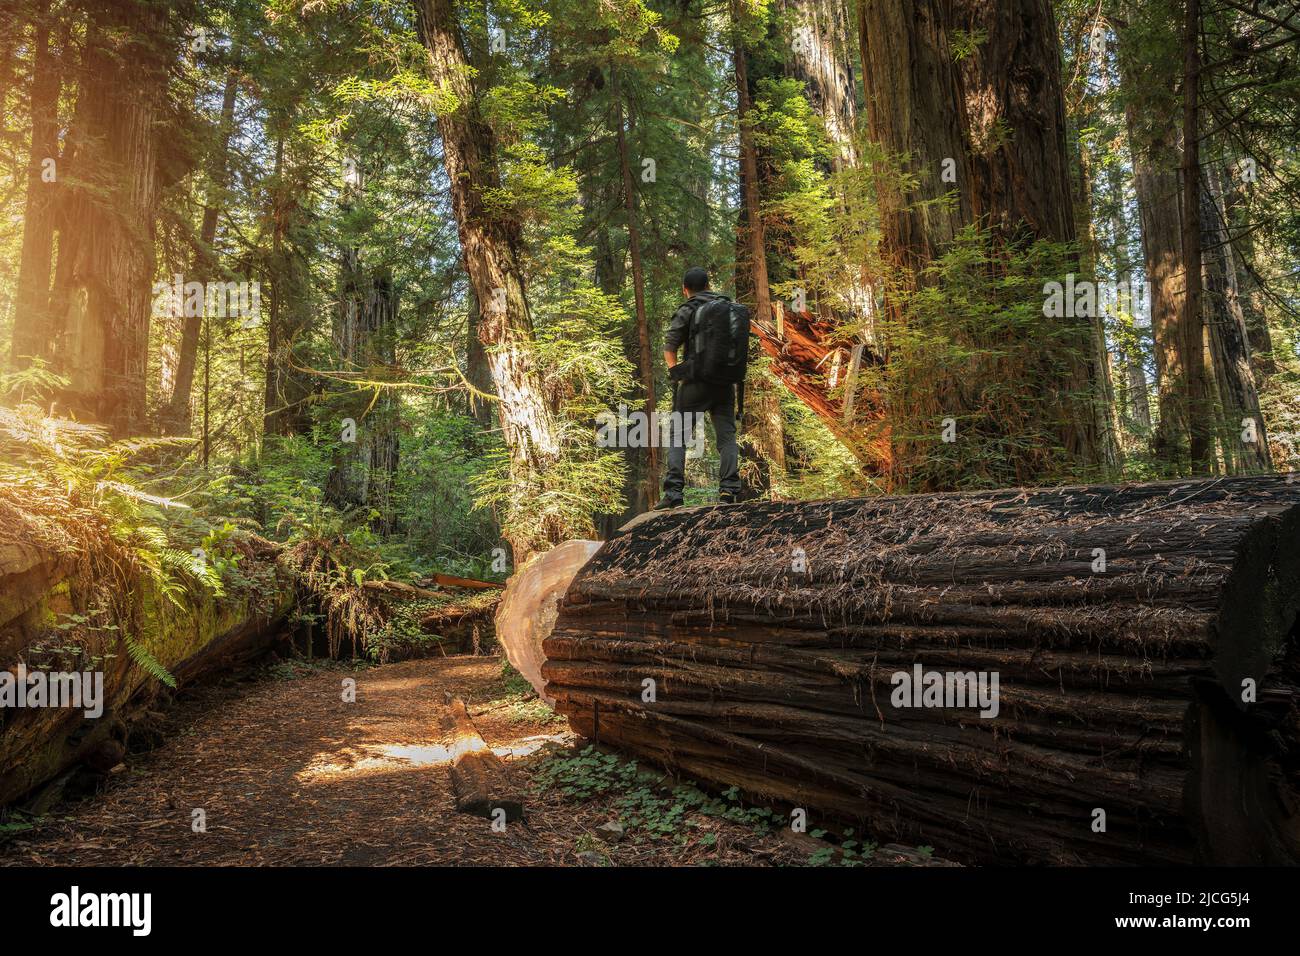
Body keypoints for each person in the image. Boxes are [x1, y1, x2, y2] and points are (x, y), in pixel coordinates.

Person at [656, 267, 742, 509]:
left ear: (686, 290)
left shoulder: (689, 308)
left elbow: (670, 346)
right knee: (726, 437)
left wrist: (676, 372)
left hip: (695, 383)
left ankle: (674, 493)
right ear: (708, 285)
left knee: (678, 437)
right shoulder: (728, 308)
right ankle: (728, 491)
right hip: (725, 383)